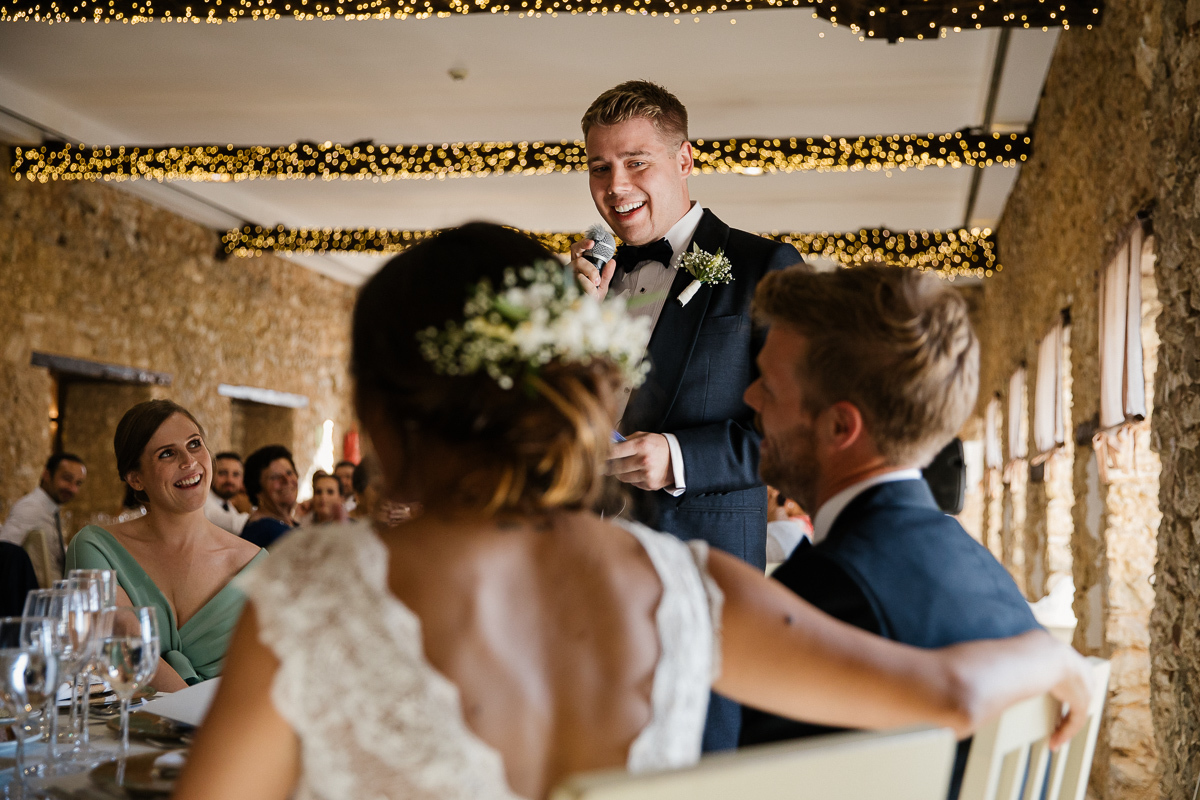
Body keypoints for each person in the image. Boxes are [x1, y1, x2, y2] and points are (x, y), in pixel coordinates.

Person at [173, 224, 1091, 800]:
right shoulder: (693, 588)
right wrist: (1054, 654)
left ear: (380, 415)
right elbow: (954, 694)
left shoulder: (315, 589)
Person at [737, 265, 1044, 799]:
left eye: (770, 385)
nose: (750, 398)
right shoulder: (978, 564)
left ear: (840, 427)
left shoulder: (824, 596)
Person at [570, 81, 806, 749]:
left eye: (635, 162)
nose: (615, 186)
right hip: (590, 586)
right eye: (600, 166)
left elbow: (799, 429)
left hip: (706, 590)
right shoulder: (593, 281)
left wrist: (679, 458)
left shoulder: (760, 266)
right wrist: (577, 328)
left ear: (684, 160)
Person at [64, 400, 265, 689]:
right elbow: (123, 650)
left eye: (194, 444)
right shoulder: (96, 547)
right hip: (129, 719)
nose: (189, 461)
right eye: (167, 453)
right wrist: (194, 713)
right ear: (135, 479)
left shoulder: (257, 566)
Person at [0, 452, 87, 585]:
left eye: (78, 483)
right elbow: (5, 549)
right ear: (46, 475)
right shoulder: (31, 507)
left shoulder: (50, 509)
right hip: (43, 593)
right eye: (67, 479)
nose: (73, 489)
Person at [240, 445, 299, 549]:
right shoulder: (262, 531)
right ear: (257, 490)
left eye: (289, 473)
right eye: (275, 477)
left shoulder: (287, 523)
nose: (287, 480)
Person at [205, 451, 251, 535]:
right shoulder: (202, 501)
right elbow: (234, 524)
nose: (230, 480)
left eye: (236, 474)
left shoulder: (228, 506)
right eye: (223, 473)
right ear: (210, 473)